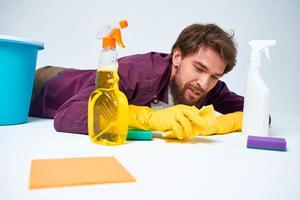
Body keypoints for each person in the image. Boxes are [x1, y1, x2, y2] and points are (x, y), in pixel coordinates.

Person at [29, 23, 244, 140]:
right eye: (199, 68)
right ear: (177, 57)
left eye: (215, 76)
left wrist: (221, 124)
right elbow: (67, 116)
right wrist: (148, 118)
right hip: (45, 85)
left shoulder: (206, 86)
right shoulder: (137, 73)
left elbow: (259, 112)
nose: (204, 84)